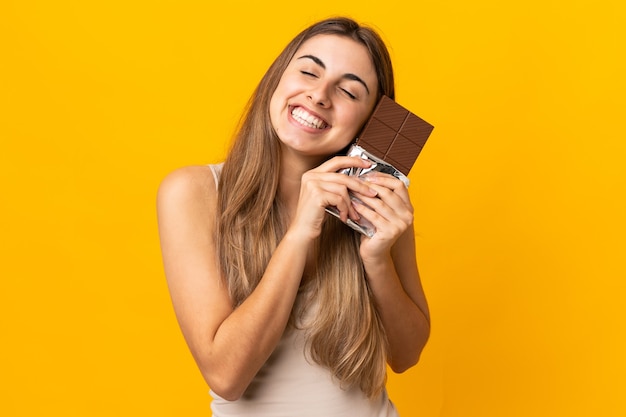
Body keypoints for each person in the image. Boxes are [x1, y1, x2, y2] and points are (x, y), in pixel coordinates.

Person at [157, 16, 430, 416]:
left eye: (349, 92)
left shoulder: (380, 200)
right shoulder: (192, 192)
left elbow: (406, 356)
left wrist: (376, 259)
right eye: (307, 72)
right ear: (276, 81)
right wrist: (300, 233)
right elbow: (226, 376)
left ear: (370, 124)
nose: (319, 95)